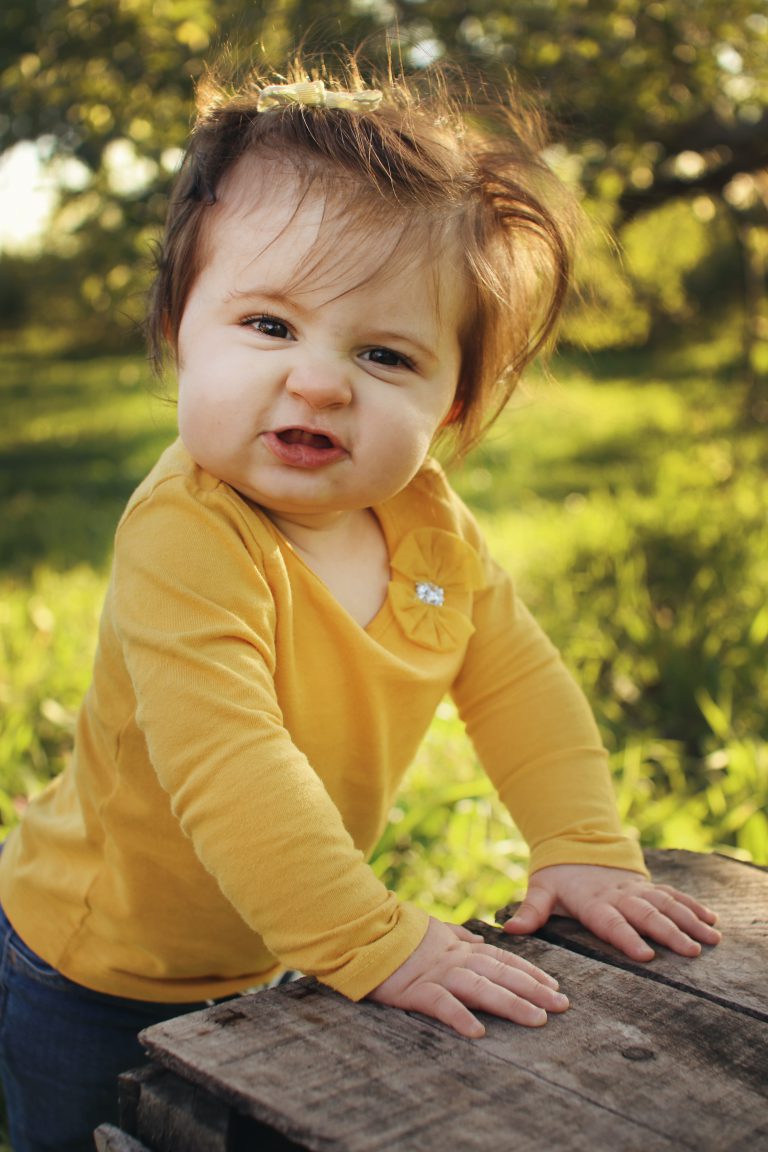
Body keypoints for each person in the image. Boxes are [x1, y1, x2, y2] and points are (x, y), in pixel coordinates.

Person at [0, 58, 721, 1151]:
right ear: (174, 331)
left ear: (454, 405)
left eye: (385, 354)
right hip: (100, 964)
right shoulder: (188, 536)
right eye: (270, 327)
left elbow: (516, 679)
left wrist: (579, 842)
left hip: (280, 937)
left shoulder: (428, 529)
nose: (324, 381)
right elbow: (231, 765)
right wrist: (374, 938)